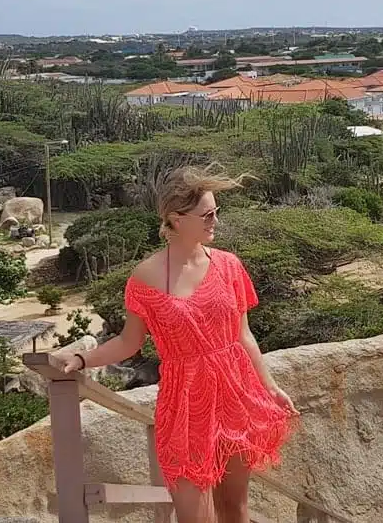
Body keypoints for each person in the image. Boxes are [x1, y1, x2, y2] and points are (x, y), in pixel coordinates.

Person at [50, 165, 297, 523]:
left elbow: (244, 335)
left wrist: (270, 387)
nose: (215, 221)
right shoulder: (145, 276)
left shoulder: (228, 265)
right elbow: (128, 342)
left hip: (235, 394)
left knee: (233, 509)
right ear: (176, 219)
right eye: (207, 214)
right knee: (192, 515)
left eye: (216, 212)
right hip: (184, 404)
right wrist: (82, 357)